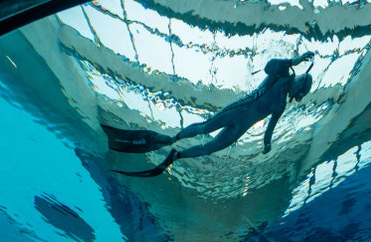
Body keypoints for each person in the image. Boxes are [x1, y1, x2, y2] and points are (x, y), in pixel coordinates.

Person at [102, 51, 315, 176]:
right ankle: (171, 139)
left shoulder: (281, 106)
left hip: (242, 126)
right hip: (237, 109)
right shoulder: (281, 75)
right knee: (205, 127)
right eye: (302, 92)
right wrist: (296, 60)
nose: (299, 96)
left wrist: (267, 144)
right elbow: (270, 66)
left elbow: (270, 127)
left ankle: (176, 155)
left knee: (211, 148)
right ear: (301, 81)